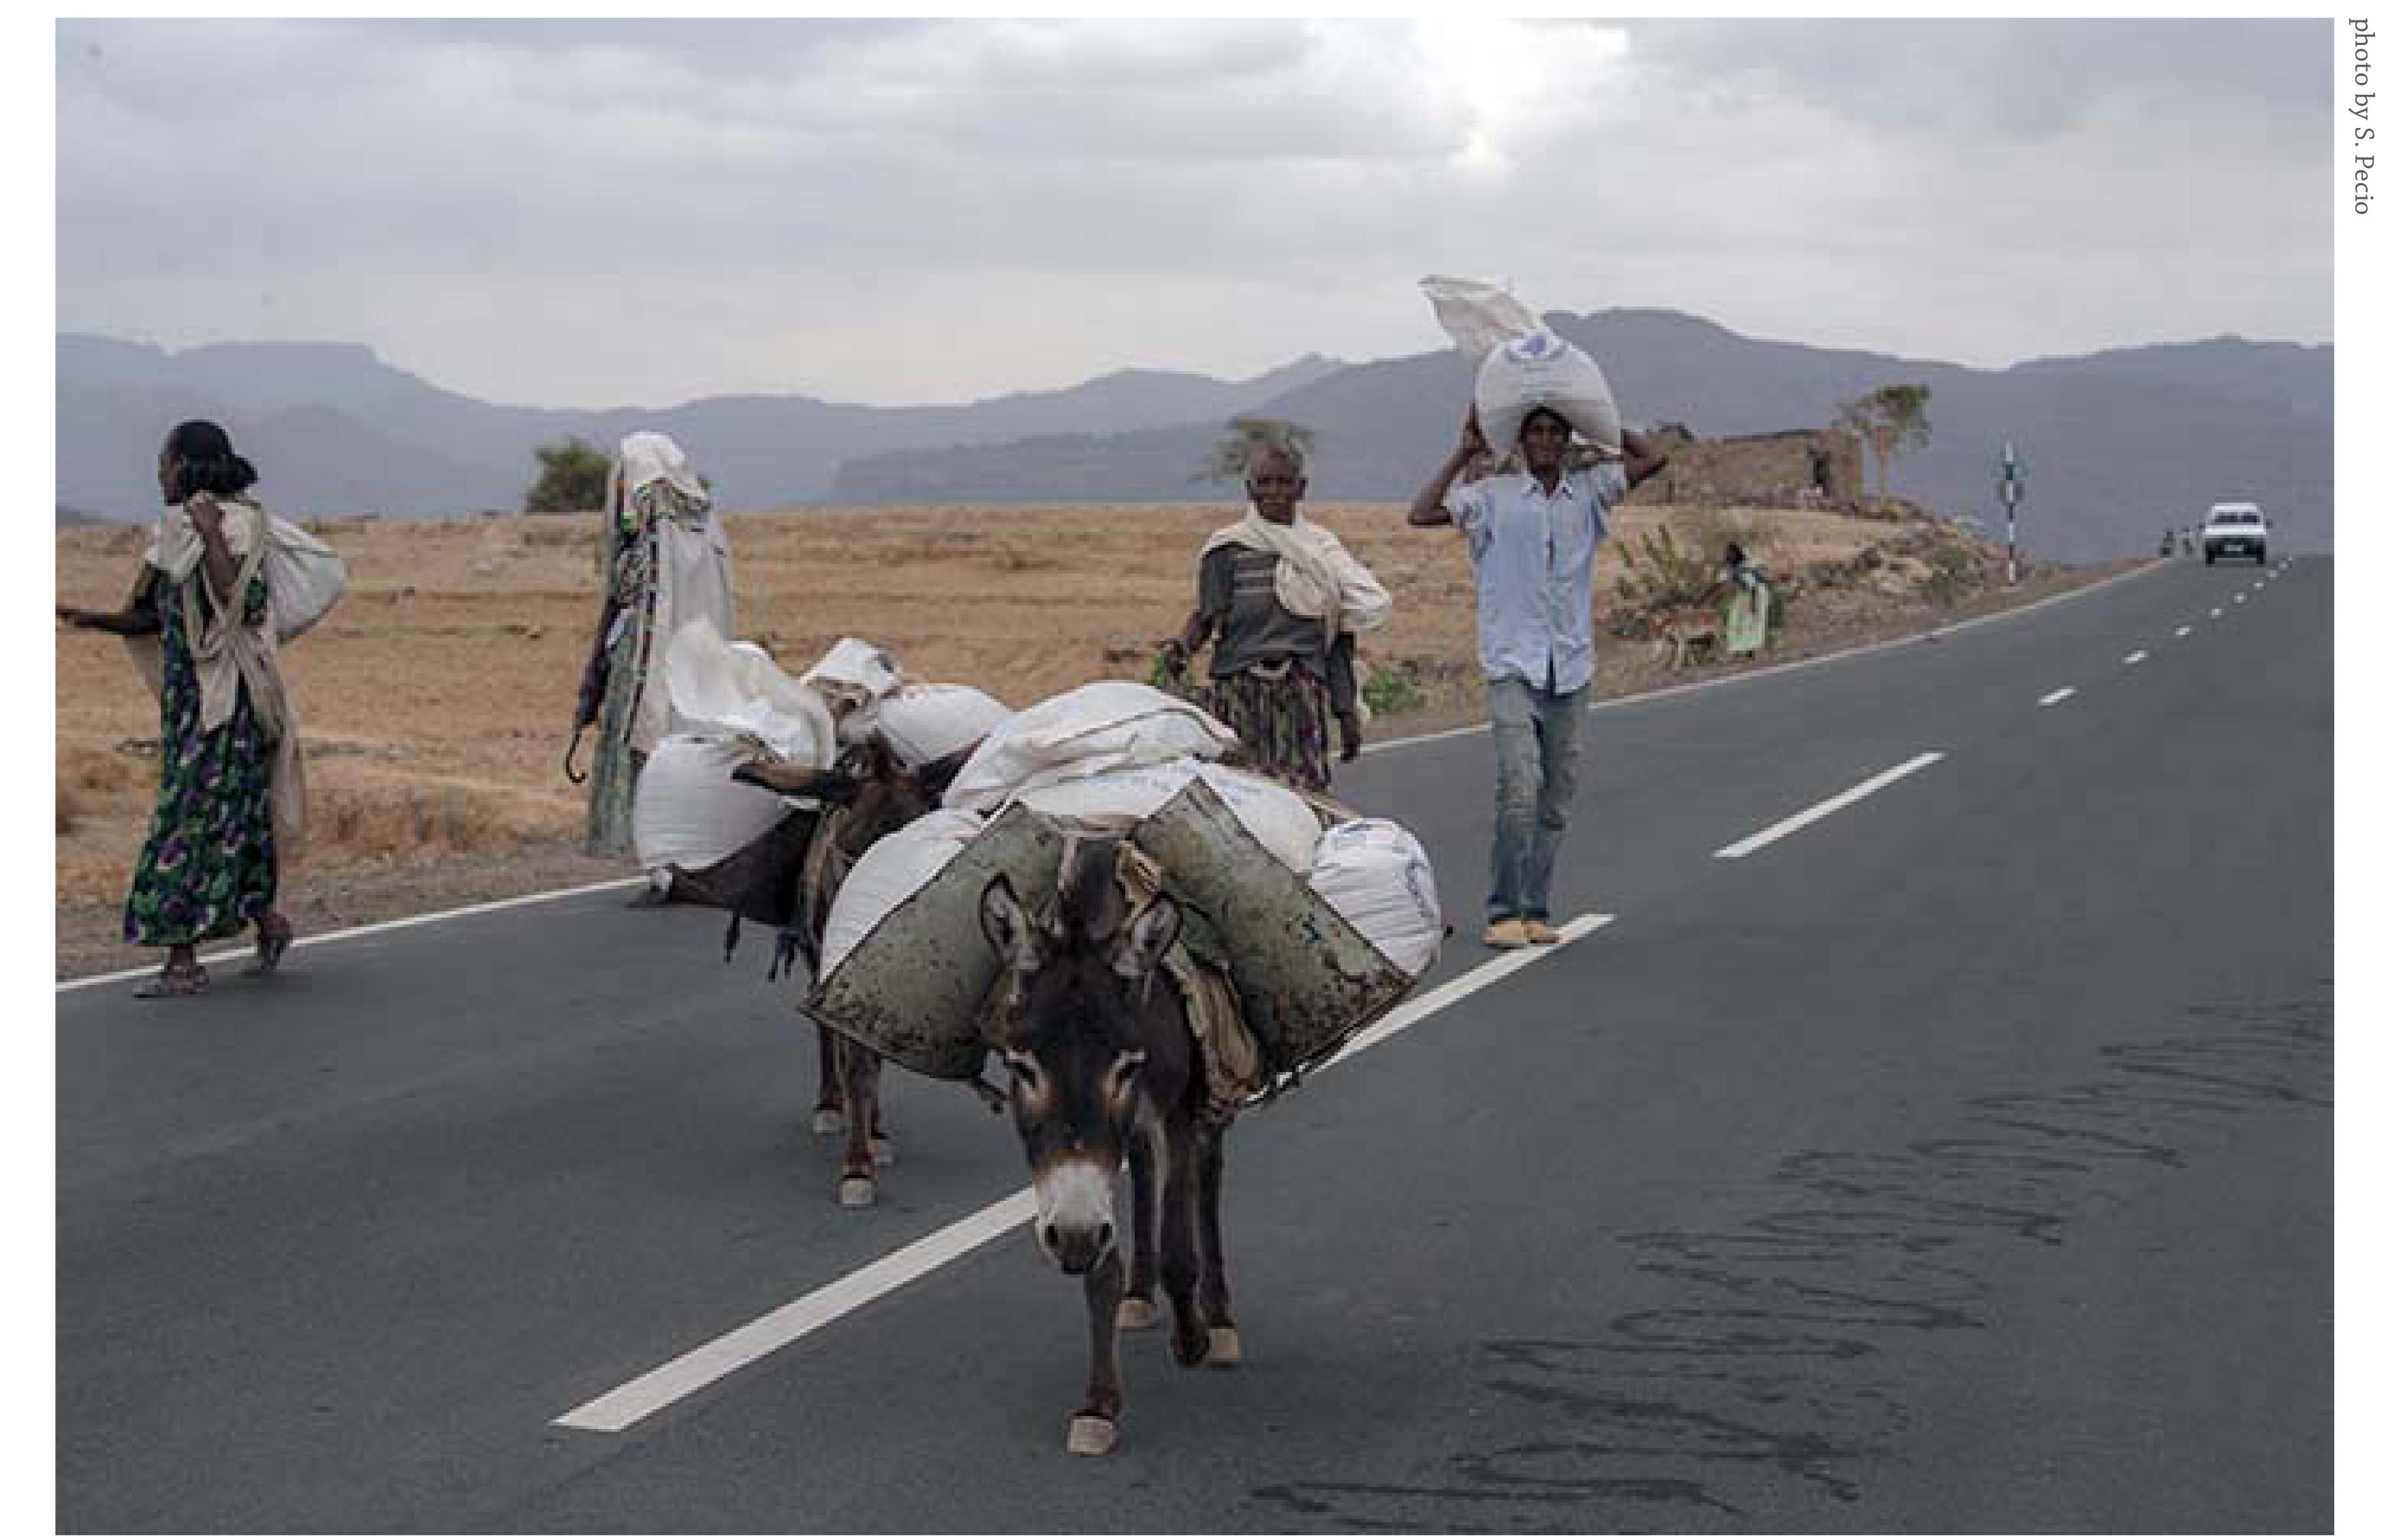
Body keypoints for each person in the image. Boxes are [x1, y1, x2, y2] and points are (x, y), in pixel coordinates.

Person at [1407, 403, 1668, 948]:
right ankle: (1503, 910)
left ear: (1568, 437)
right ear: (1521, 441)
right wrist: (1464, 451)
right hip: (1511, 664)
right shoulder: (1493, 496)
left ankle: (1534, 909)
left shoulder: (1591, 490)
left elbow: (1654, 457)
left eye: (1556, 430)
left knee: (1555, 800)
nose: (1547, 440)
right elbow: (1421, 512)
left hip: (1570, 667)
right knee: (1519, 790)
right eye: (1536, 432)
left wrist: (1598, 416)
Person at [57, 420, 301, 996]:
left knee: (184, 827)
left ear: (189, 466)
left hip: (227, 710)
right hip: (190, 708)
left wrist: (212, 534)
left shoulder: (237, 528)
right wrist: (84, 617)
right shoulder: (172, 535)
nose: (158, 473)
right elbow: (152, 616)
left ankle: (183, 962)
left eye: (165, 462)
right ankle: (268, 922)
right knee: (231, 820)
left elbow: (239, 604)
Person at [1162, 441, 1391, 791]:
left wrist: (1346, 713)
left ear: (1301, 489)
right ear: (1249, 489)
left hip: (1301, 694)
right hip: (1238, 692)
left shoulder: (1322, 555)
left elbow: (1337, 639)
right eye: (1264, 482)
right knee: (1241, 794)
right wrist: (1181, 650)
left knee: (1307, 797)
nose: (1273, 492)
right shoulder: (1226, 550)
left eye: (1283, 482)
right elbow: (1206, 617)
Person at [574, 431, 736, 894]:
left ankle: (669, 863)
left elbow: (661, 606)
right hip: (654, 667)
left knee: (657, 755)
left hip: (658, 668)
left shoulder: (669, 531)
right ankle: (669, 861)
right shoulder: (677, 530)